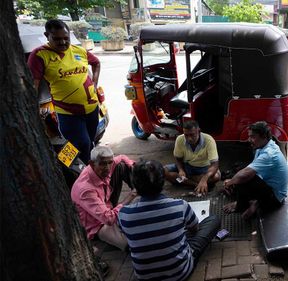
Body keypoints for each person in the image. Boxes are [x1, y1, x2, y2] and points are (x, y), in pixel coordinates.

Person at [119, 160, 221, 281]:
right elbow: (195, 229)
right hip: (180, 272)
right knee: (214, 220)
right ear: (162, 182)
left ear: (135, 184)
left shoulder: (124, 214)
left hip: (144, 277)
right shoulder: (179, 206)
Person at [27, 19, 101, 163]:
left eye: (65, 38)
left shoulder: (79, 51)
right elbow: (32, 87)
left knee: (90, 143)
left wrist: (95, 83)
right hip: (68, 113)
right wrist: (33, 111)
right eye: (57, 39)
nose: (62, 42)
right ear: (46, 35)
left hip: (92, 109)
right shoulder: (39, 55)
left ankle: (76, 172)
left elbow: (96, 63)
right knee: (79, 146)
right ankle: (76, 175)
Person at [71, 146, 137, 251]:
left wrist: (131, 165)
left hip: (107, 203)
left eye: (109, 163)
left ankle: (143, 193)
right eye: (102, 164)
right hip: (97, 223)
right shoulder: (85, 189)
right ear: (92, 164)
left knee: (122, 166)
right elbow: (108, 219)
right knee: (131, 243)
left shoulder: (105, 165)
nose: (107, 167)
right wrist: (130, 197)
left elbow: (121, 157)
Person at [223, 121, 288, 219]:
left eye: (253, 137)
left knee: (242, 179)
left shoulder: (269, 154)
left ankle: (242, 205)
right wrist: (233, 180)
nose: (249, 140)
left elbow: (244, 175)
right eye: (249, 136)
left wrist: (230, 182)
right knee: (238, 169)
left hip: (275, 198)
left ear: (264, 137)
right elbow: (251, 168)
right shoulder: (262, 146)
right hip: (267, 187)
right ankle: (255, 203)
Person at [164, 120, 221, 195]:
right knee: (162, 170)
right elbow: (178, 158)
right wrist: (181, 170)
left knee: (217, 176)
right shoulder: (180, 139)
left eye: (192, 135)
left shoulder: (209, 140)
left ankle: (189, 181)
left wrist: (204, 179)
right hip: (187, 166)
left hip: (203, 168)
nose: (189, 138)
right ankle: (195, 184)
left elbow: (214, 165)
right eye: (186, 135)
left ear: (199, 131)